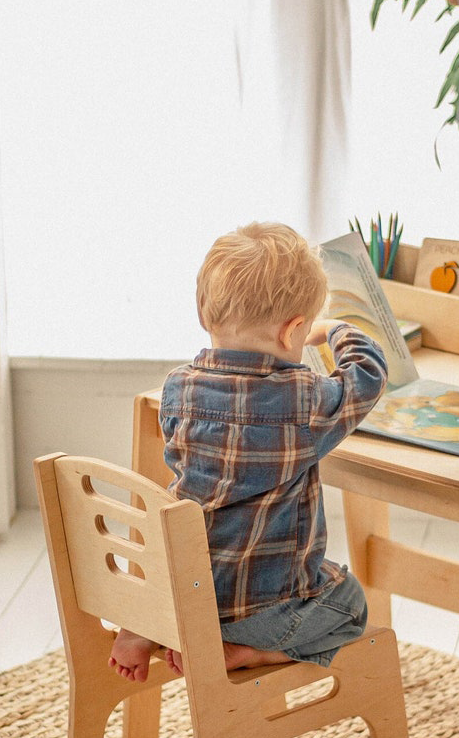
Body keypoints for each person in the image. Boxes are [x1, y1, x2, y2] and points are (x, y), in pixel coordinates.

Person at [109, 222, 388, 682]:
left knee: (213, 540)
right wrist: (336, 329)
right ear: (294, 329)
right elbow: (368, 374)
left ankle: (147, 629)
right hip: (261, 610)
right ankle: (251, 653)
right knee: (351, 603)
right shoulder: (304, 400)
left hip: (183, 592)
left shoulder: (178, 389)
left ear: (205, 312)